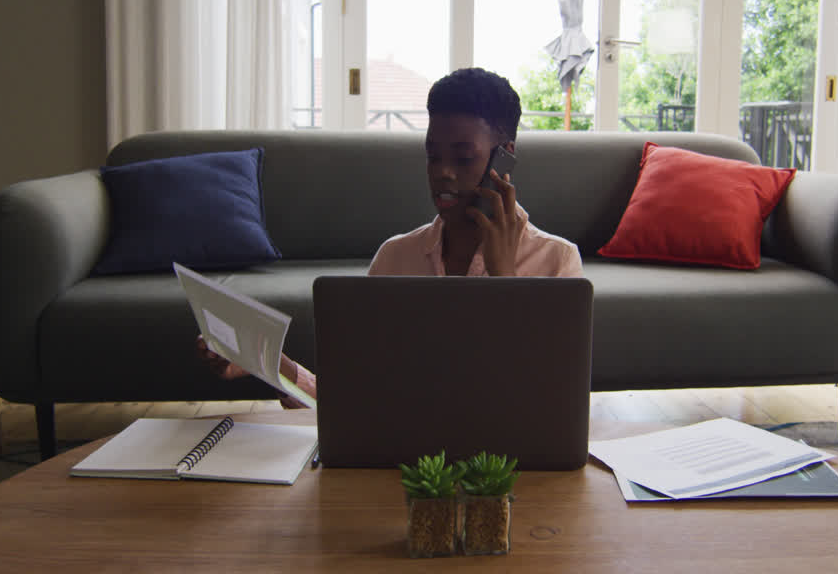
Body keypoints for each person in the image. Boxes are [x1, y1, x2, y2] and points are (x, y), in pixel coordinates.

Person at [196, 67, 583, 404]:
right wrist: (276, 366)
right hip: (407, 464)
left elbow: (545, 400)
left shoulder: (557, 262)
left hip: (509, 470)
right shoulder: (395, 258)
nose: (443, 172)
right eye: (433, 155)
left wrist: (504, 280)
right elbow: (353, 397)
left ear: (505, 157)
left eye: (463, 158)